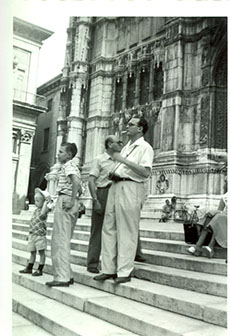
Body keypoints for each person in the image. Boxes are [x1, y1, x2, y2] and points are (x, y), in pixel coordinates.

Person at [94, 115, 154, 284]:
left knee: (127, 229)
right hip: (115, 185)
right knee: (109, 227)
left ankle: (124, 271)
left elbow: (145, 172)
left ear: (140, 128)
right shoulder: (127, 146)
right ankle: (108, 269)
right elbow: (122, 164)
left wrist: (123, 161)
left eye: (131, 124)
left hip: (131, 187)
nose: (127, 126)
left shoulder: (144, 147)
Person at [87, 135, 145, 274]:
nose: (121, 143)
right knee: (98, 228)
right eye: (117, 142)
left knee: (126, 223)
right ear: (109, 145)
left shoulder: (122, 159)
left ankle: (134, 254)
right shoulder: (99, 160)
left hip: (121, 191)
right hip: (103, 193)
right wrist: (95, 200)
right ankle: (92, 262)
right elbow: (91, 180)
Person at [45, 142, 81, 287]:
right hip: (68, 200)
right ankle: (67, 274)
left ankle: (62, 277)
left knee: (60, 240)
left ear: (69, 155)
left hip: (66, 200)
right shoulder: (71, 166)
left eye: (61, 152)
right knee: (63, 239)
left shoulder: (68, 166)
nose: (57, 154)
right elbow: (78, 185)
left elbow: (76, 182)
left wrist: (72, 201)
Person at [187, 176, 227, 258]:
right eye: (225, 182)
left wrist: (218, 212)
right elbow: (219, 210)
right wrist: (213, 212)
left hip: (225, 218)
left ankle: (210, 246)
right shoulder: (225, 196)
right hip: (224, 218)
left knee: (219, 217)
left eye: (226, 182)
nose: (224, 185)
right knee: (210, 216)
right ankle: (198, 246)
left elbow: (221, 213)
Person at [19, 188, 51, 276]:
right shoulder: (35, 210)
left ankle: (40, 269)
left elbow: (42, 214)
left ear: (44, 202)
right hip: (32, 234)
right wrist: (29, 233)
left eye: (38, 200)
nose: (35, 202)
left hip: (40, 235)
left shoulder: (44, 211)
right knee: (32, 252)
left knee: (41, 252)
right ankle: (29, 267)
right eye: (35, 200)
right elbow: (32, 222)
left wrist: (46, 203)